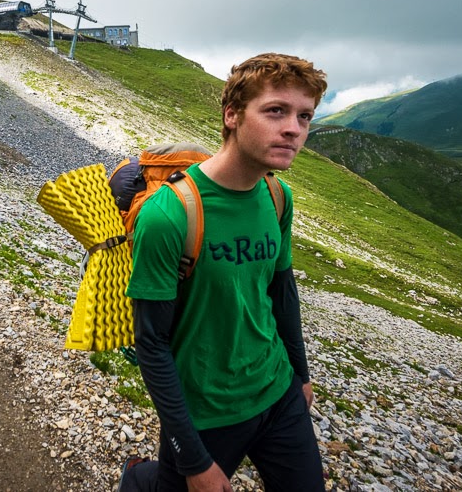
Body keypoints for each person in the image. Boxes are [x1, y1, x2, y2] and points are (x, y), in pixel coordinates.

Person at [118, 53, 328, 491]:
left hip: (277, 389)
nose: (294, 128)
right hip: (207, 410)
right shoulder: (170, 213)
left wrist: (301, 375)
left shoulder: (277, 197)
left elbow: (282, 293)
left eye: (304, 116)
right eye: (276, 111)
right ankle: (139, 477)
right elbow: (152, 343)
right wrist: (193, 460)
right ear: (232, 115)